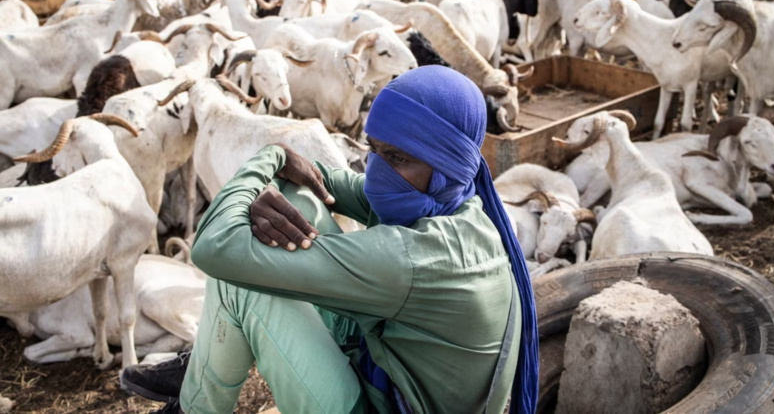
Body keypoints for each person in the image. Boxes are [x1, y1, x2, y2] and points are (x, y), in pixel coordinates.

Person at [124, 65, 539, 413]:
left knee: (243, 284)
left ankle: (194, 401)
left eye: (397, 157)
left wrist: (269, 157)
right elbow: (329, 184)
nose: (377, 171)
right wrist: (289, 177)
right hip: (386, 370)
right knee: (298, 197)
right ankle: (203, 365)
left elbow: (213, 248)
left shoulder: (413, 255)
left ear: (446, 163)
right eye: (372, 149)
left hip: (385, 401)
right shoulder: (456, 204)